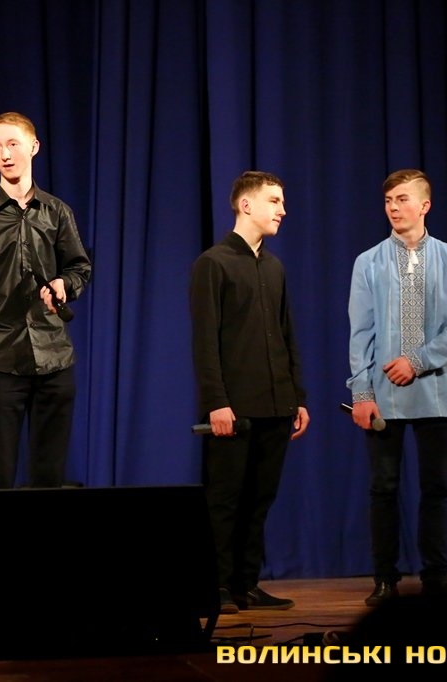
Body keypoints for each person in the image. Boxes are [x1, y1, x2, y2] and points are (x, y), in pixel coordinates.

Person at [346, 169, 447, 607]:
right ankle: (385, 580)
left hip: (438, 393)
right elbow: (360, 333)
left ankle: (436, 581)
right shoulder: (368, 262)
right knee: (383, 489)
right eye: (388, 200)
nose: (393, 207)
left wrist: (417, 361)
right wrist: (361, 393)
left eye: (402, 199)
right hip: (383, 396)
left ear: (425, 205)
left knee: (436, 490)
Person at [0, 112, 92, 489]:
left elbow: (79, 267)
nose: (5, 154)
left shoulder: (56, 211)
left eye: (12, 144)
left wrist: (65, 284)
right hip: (0, 360)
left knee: (49, 478)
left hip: (54, 357)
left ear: (34, 147)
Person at [189, 170, 310, 614]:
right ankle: (217, 585)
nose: (282, 210)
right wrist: (216, 402)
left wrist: (297, 397)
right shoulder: (213, 263)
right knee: (225, 500)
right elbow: (205, 341)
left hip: (276, 403)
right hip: (234, 408)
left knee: (260, 498)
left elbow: (286, 334)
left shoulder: (274, 267)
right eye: (274, 201)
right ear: (246, 205)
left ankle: (246, 583)